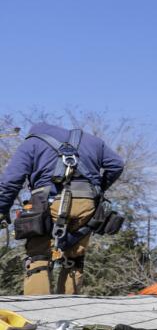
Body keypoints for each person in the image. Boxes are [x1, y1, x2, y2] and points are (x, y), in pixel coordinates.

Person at [0, 122, 125, 295]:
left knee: (39, 255)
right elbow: (117, 164)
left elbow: (10, 181)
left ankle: (39, 311)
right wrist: (98, 189)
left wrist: (2, 209)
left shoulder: (32, 143)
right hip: (86, 206)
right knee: (74, 258)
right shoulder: (93, 142)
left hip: (46, 204)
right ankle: (68, 310)